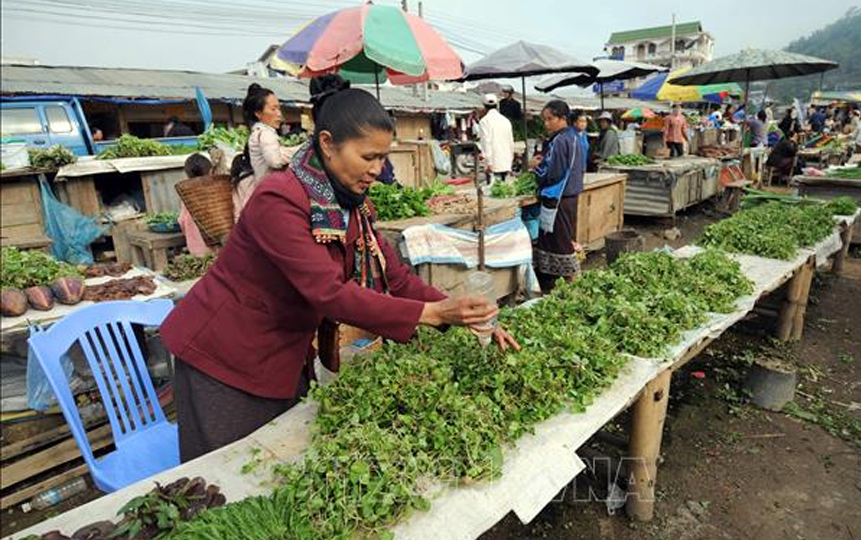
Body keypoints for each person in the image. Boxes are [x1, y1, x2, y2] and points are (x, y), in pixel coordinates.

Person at [161, 74, 519, 461]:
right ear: (328, 144)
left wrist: (468, 314)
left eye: (382, 158)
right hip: (224, 358)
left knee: (277, 469)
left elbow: (393, 277)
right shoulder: (279, 199)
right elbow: (328, 293)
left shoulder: (351, 204)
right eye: (368, 157)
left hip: (281, 354)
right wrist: (431, 313)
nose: (378, 170)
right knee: (225, 483)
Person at [529, 100, 585, 294]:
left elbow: (552, 173)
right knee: (563, 239)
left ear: (562, 118)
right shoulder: (574, 137)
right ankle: (559, 285)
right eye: (545, 120)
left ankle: (574, 286)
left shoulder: (560, 140)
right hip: (570, 196)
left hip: (559, 197)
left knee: (561, 243)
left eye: (550, 119)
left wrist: (535, 167)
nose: (546, 124)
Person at [232, 83, 299, 217]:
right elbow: (275, 160)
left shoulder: (262, 132)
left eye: (279, 108)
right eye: (273, 109)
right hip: (271, 195)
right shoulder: (265, 133)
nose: (279, 114)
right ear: (258, 113)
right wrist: (301, 150)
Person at [177, 154, 215, 257]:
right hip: (217, 251)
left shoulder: (186, 194)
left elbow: (182, 221)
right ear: (211, 171)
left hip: (195, 249)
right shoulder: (216, 191)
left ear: (187, 174)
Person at [478, 93, 514, 184]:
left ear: (484, 106)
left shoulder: (484, 121)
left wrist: (488, 162)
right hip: (506, 162)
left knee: (494, 190)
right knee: (504, 189)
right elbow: (511, 142)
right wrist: (510, 160)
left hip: (493, 163)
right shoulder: (505, 120)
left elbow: (486, 142)